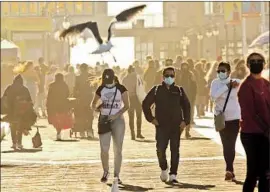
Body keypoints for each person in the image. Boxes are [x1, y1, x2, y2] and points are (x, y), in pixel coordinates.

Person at [142, 67, 191, 183]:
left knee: (175, 150)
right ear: (163, 77)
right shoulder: (156, 90)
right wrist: (151, 119)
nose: (169, 77)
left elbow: (187, 106)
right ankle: (164, 168)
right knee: (160, 149)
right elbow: (145, 104)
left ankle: (173, 174)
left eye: (172, 75)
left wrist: (185, 121)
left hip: (176, 126)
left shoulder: (179, 90)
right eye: (167, 75)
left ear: (175, 77)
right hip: (161, 125)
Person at [238, 52, 270, 192]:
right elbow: (251, 113)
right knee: (253, 172)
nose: (256, 63)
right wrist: (266, 130)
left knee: (266, 173)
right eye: (253, 61)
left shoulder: (266, 84)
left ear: (264, 63)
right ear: (248, 65)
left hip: (267, 134)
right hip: (251, 134)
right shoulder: (246, 86)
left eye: (259, 60)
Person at [91, 69, 129, 184]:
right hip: (104, 119)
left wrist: (116, 115)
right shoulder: (101, 89)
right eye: (105, 80)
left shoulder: (121, 88)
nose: (107, 82)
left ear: (113, 78)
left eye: (109, 80)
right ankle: (105, 171)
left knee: (118, 149)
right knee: (104, 149)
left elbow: (127, 106)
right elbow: (92, 104)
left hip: (117, 120)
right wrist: (97, 109)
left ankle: (117, 175)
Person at [210, 62, 241, 181]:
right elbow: (213, 97)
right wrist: (226, 87)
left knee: (231, 143)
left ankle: (229, 169)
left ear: (229, 72)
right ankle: (229, 168)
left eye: (223, 71)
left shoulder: (236, 82)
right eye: (218, 71)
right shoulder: (215, 83)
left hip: (234, 118)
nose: (220, 73)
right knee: (225, 143)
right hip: (220, 118)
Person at [2, 75, 36, 149]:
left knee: (13, 127)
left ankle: (14, 143)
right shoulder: (24, 89)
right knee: (20, 127)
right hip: (22, 111)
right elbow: (29, 100)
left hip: (11, 111)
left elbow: (4, 98)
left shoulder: (9, 88)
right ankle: (19, 143)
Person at [46, 73, 71, 140]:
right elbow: (67, 94)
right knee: (61, 117)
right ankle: (59, 131)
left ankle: (58, 131)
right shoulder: (65, 85)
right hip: (63, 104)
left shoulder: (52, 85)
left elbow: (49, 95)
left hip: (53, 104)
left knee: (56, 118)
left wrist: (47, 104)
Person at [122, 65, 144, 140]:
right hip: (137, 98)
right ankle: (138, 133)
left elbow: (123, 90)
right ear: (134, 70)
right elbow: (141, 87)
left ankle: (132, 134)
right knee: (139, 116)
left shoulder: (124, 79)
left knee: (131, 117)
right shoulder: (137, 77)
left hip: (129, 98)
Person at [73, 64, 95, 138]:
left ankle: (82, 131)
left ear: (81, 69)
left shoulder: (78, 77)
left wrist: (74, 97)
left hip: (81, 98)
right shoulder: (91, 76)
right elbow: (95, 87)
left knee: (81, 114)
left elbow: (75, 89)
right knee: (89, 115)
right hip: (89, 98)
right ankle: (89, 131)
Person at [176, 62, 197, 138]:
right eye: (183, 67)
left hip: (189, 97)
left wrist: (194, 96)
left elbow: (194, 86)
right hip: (180, 97)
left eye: (186, 67)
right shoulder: (178, 75)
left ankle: (187, 131)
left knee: (188, 115)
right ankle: (180, 131)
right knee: (180, 115)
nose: (184, 68)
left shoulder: (191, 74)